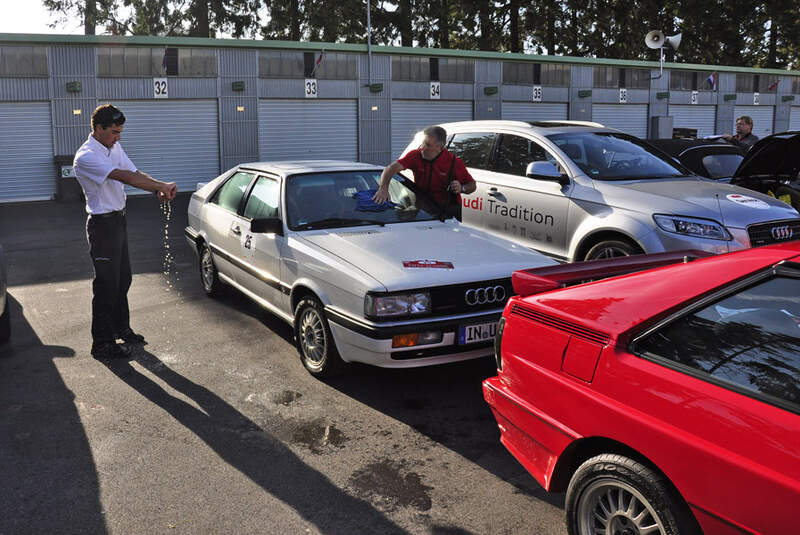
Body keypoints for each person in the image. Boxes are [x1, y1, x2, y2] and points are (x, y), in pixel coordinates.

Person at [73, 104, 178, 360]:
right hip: (102, 225)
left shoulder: (113, 147)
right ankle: (101, 343)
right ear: (98, 129)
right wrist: (161, 185)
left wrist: (156, 189)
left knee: (123, 279)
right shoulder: (87, 156)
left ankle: (121, 329)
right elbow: (123, 177)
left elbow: (133, 172)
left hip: (118, 222)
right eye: (114, 132)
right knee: (106, 285)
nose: (118, 137)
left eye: (120, 132)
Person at [373, 125, 476, 220]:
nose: (422, 147)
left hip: (448, 212)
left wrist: (462, 188)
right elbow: (390, 168)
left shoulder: (454, 163)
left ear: (439, 147)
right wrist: (383, 189)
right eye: (422, 142)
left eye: (427, 144)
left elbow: (472, 185)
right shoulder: (415, 155)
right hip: (424, 210)